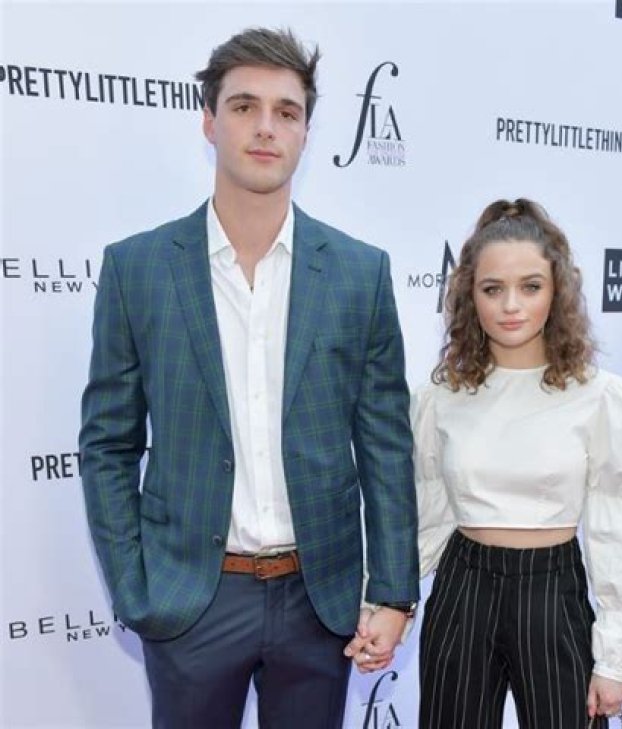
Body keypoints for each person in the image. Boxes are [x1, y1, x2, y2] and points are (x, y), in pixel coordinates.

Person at [79, 27, 419, 729]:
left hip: (320, 601)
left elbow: (386, 447)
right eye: (243, 107)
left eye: (286, 112)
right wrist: (135, 588)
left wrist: (392, 591)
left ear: (305, 132)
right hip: (191, 600)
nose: (266, 127)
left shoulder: (360, 274)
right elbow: (108, 444)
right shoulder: (137, 269)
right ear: (209, 121)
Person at [412, 198, 622, 729]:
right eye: (492, 289)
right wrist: (386, 598)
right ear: (470, 296)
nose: (511, 305)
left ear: (557, 291)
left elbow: (611, 524)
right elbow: (428, 510)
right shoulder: (443, 397)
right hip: (462, 588)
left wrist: (615, 656)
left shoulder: (597, 397)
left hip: (554, 590)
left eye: (530, 286)